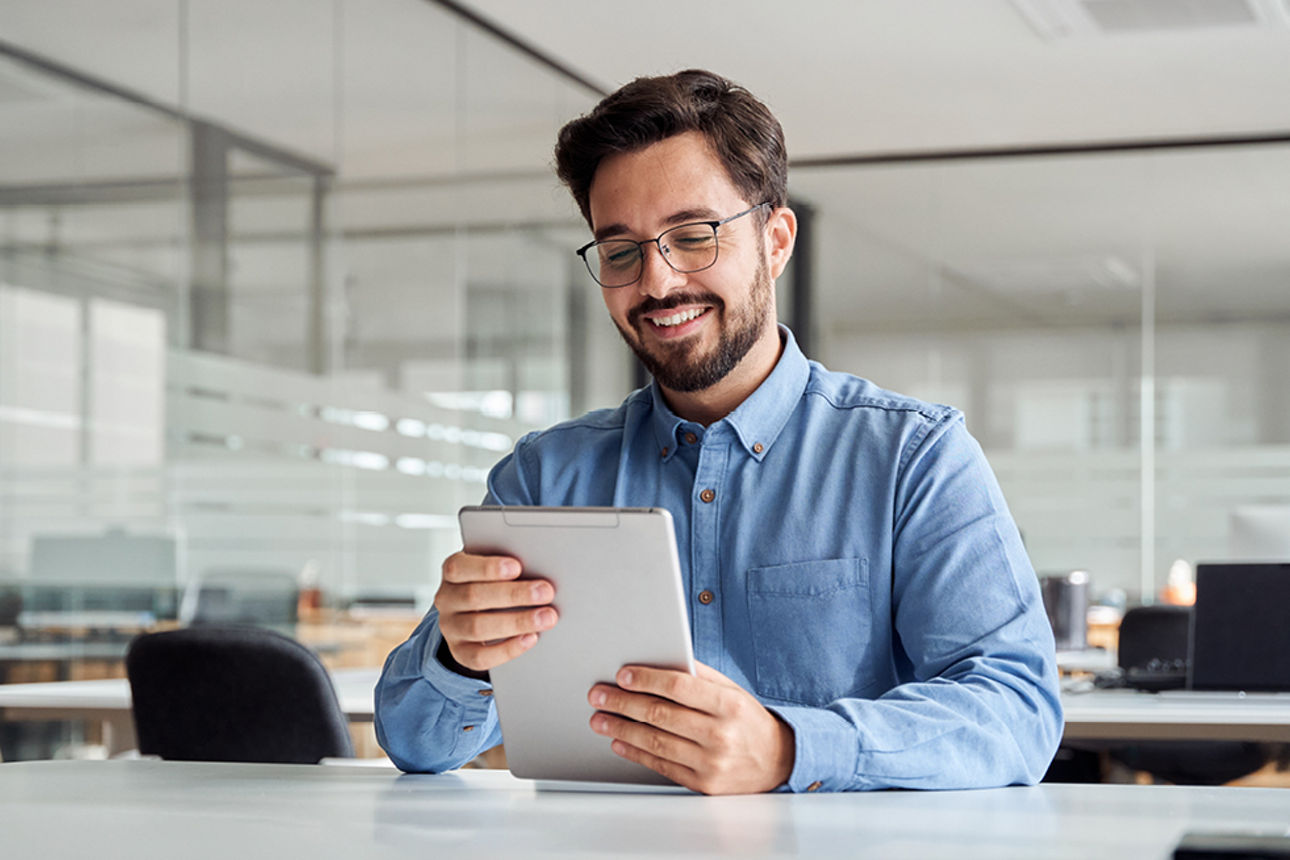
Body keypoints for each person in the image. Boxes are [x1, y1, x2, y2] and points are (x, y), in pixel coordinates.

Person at [375, 69, 1063, 794]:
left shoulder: (914, 457)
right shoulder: (546, 477)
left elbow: (1017, 712)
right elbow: (416, 745)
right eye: (621, 251)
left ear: (776, 240)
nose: (658, 282)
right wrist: (460, 656)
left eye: (693, 235)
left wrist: (792, 749)